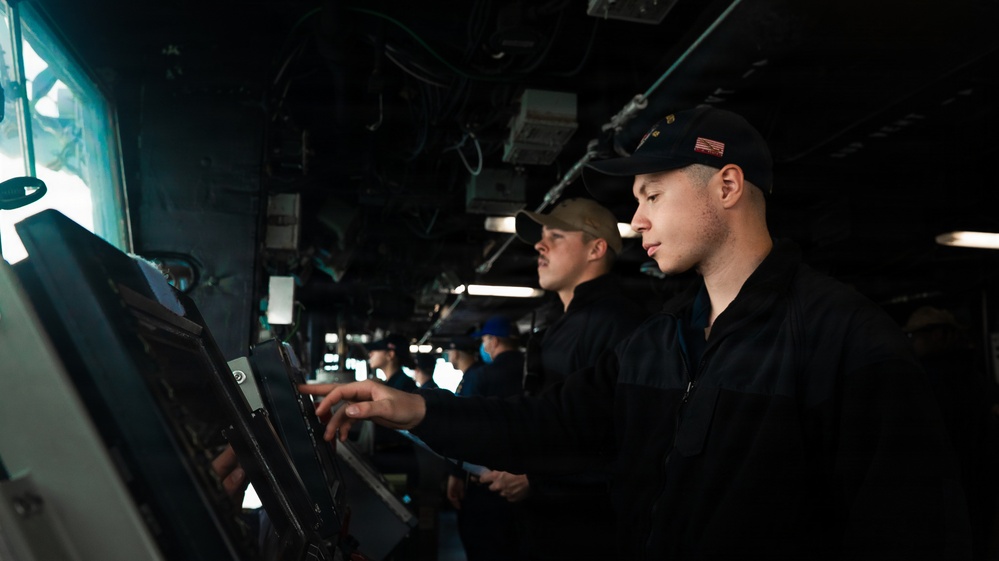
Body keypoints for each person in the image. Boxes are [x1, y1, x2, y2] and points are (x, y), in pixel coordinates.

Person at [301, 106, 972, 559]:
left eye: (651, 194)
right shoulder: (658, 342)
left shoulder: (847, 342)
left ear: (727, 185)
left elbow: (914, 530)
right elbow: (546, 425)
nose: (635, 219)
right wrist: (414, 408)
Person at [480, 197, 648, 561]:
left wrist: (537, 481)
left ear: (596, 249)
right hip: (549, 530)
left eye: (555, 235)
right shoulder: (564, 326)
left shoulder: (619, 325)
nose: (540, 245)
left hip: (590, 539)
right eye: (542, 237)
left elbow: (631, 447)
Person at [903, 306, 999, 559]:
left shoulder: (926, 380)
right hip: (977, 484)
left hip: (943, 488)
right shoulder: (976, 377)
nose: (911, 342)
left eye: (915, 336)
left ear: (936, 335)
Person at [445, 316, 526, 561]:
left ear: (494, 340)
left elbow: (465, 429)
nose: (484, 346)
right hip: (526, 480)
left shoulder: (483, 377)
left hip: (485, 481)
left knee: (482, 545)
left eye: (485, 340)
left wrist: (457, 474)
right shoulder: (534, 370)